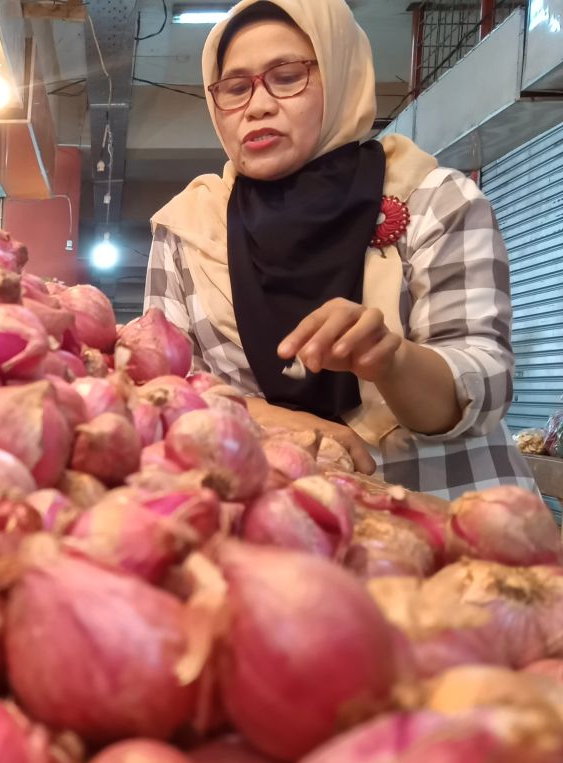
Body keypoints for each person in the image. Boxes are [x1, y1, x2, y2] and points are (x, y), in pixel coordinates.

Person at [146, 0, 536, 499]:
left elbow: (487, 382)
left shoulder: (434, 199)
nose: (258, 106)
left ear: (341, 75)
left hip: (451, 519)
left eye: (287, 76)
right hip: (278, 530)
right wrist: (281, 421)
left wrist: (393, 362)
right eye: (236, 88)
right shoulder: (188, 227)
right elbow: (166, 390)